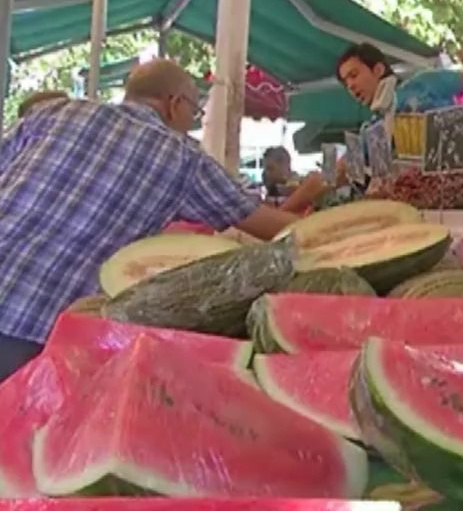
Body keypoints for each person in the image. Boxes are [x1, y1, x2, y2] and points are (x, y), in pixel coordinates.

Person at [0, 60, 304, 380]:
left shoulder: (55, 113)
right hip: (36, 327)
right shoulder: (184, 158)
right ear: (175, 104)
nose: (193, 123)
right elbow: (266, 224)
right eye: (195, 112)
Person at [335, 42, 463, 167]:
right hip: (452, 196)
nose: (350, 86)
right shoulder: (372, 129)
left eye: (353, 75)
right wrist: (326, 179)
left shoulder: (424, 83)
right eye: (345, 83)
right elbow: (342, 167)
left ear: (378, 69)